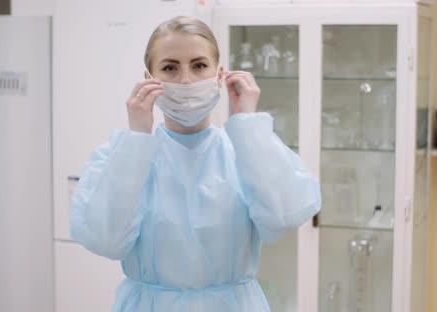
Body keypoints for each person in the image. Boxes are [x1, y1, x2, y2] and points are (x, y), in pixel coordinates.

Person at [70, 16, 321, 311]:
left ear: (220, 75)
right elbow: (105, 241)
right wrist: (136, 138)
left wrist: (249, 126)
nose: (186, 80)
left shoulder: (245, 151)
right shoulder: (122, 156)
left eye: (199, 65)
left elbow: (284, 219)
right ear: (149, 79)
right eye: (170, 68)